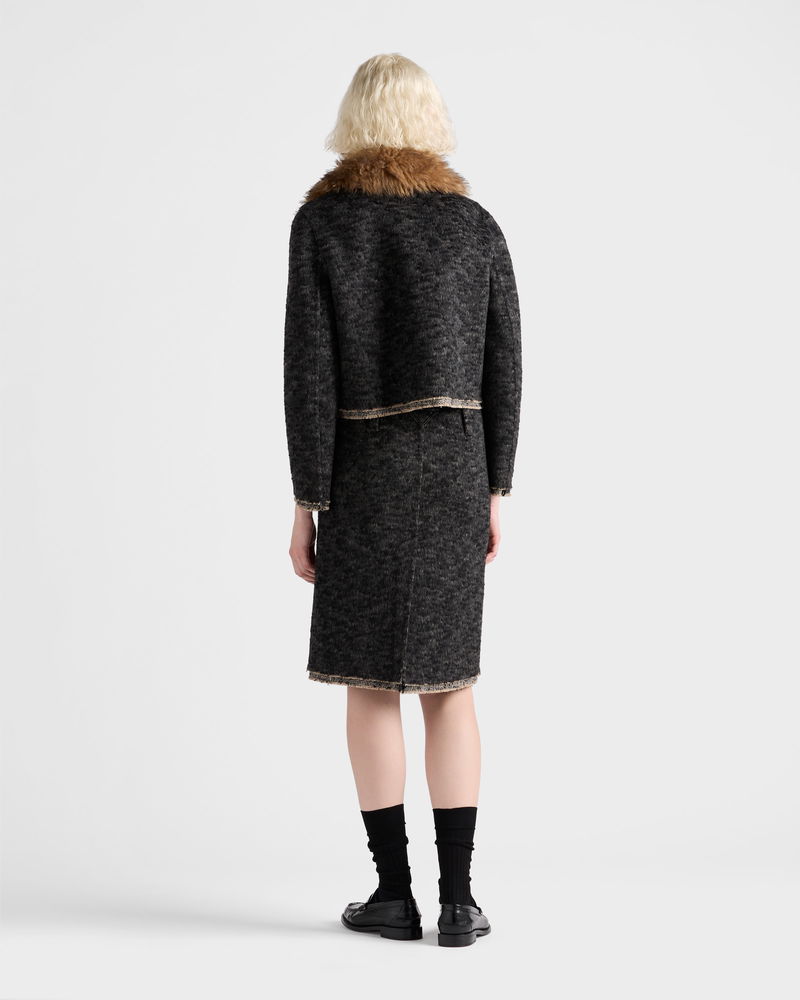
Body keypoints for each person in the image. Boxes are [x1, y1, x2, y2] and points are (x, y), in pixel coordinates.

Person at [283, 53, 522, 947]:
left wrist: (308, 499)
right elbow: (505, 365)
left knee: (370, 680)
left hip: (363, 467)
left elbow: (308, 371)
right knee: (450, 686)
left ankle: (393, 893)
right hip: (457, 466)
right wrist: (496, 486)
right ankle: (459, 901)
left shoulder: (323, 223)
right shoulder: (473, 225)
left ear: (355, 119)